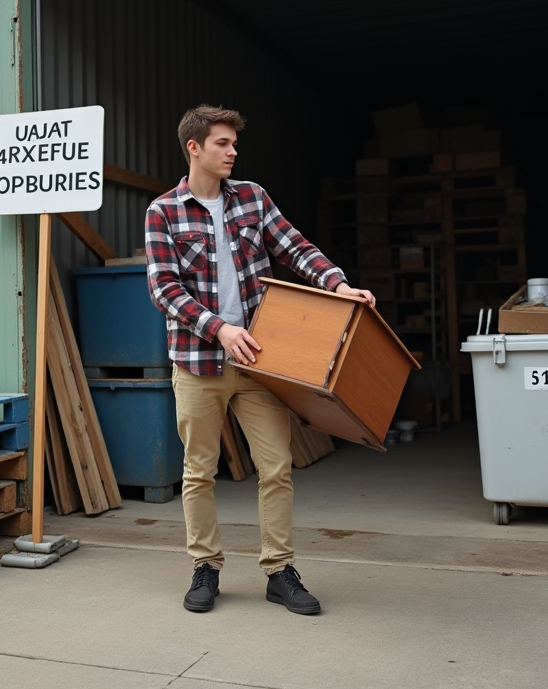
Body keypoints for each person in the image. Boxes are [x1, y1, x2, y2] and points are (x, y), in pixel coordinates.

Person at [145, 104, 375, 615]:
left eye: (233, 143)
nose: (232, 151)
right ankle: (205, 567)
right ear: (194, 148)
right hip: (197, 362)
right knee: (199, 472)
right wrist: (219, 328)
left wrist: (339, 284)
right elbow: (164, 288)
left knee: (276, 467)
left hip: (258, 362)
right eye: (222, 143)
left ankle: (278, 571)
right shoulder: (163, 211)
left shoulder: (252, 198)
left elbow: (295, 247)